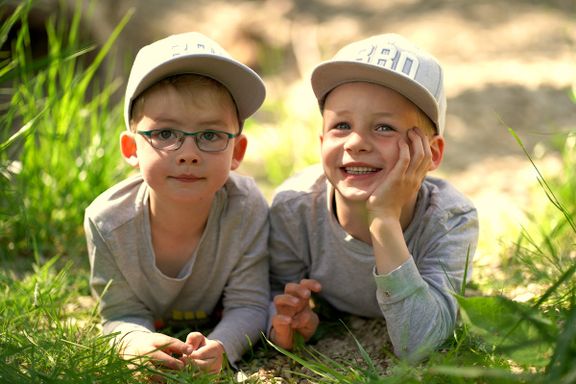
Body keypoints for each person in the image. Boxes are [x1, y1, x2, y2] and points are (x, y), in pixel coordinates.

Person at [269, 33, 479, 362]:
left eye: (383, 127)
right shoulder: (294, 208)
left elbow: (421, 343)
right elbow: (272, 293)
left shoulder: (450, 219)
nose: (356, 143)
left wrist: (383, 218)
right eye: (341, 125)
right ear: (321, 140)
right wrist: (286, 319)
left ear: (432, 152)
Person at [84, 32, 269, 374]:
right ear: (130, 149)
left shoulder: (246, 209)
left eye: (210, 135)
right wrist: (134, 342)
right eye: (165, 134)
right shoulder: (107, 222)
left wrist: (223, 347)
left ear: (237, 153)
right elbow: (119, 313)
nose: (188, 154)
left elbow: (251, 304)